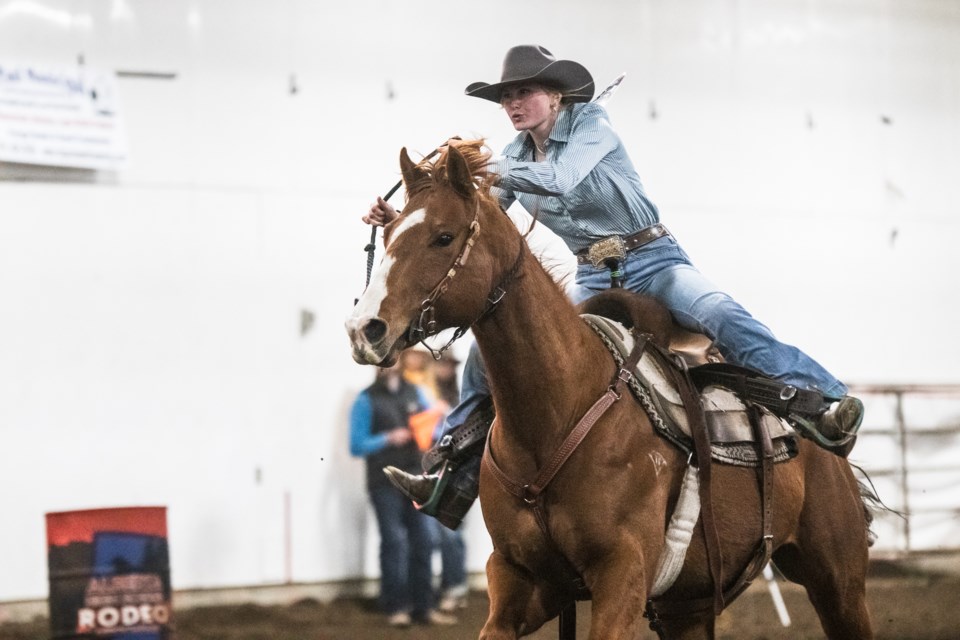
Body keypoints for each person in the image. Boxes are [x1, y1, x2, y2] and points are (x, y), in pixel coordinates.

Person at [364, 44, 865, 527]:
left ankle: (822, 401)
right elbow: (478, 219)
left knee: (719, 314)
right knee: (484, 356)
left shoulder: (592, 125)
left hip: (655, 261)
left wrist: (484, 166)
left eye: (525, 93)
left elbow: (560, 178)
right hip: (591, 274)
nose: (514, 104)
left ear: (557, 96)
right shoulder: (517, 153)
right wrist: (405, 221)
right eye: (506, 97)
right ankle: (450, 474)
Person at [348, 361, 457, 627]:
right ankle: (395, 606)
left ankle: (424, 607)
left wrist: (434, 422)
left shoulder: (417, 392)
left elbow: (435, 430)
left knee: (425, 539)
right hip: (383, 481)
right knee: (394, 541)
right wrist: (388, 438)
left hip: (416, 478)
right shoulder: (365, 399)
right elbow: (356, 444)